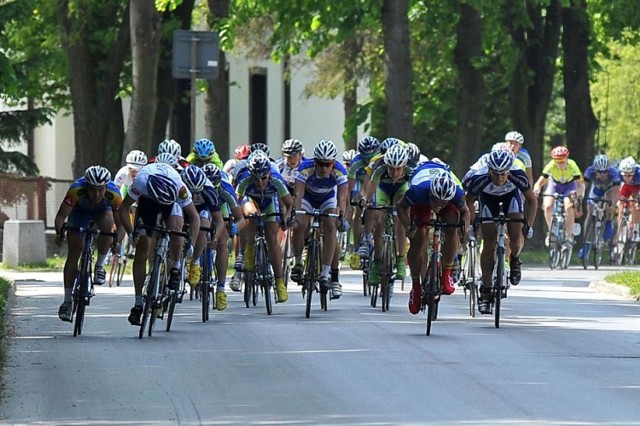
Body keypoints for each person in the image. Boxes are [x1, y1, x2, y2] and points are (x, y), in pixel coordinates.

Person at [118, 161, 200, 326]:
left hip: (171, 203)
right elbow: (123, 208)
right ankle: (138, 302)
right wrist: (131, 232)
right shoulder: (140, 182)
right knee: (142, 248)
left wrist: (191, 243)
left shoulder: (180, 188)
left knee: (177, 229)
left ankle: (175, 267)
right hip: (148, 202)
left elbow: (195, 217)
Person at [464, 149, 537, 315]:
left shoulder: (518, 175)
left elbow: (532, 201)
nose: (499, 178)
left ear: (509, 171)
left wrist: (529, 225)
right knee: (489, 243)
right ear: (489, 170)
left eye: (503, 174)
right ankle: (486, 290)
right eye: (495, 174)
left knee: (516, 234)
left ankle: (515, 259)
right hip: (488, 200)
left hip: (511, 197)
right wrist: (472, 223)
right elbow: (468, 202)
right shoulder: (479, 178)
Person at [397, 162, 470, 314]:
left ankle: (446, 273)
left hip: (445, 196)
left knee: (453, 224)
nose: (438, 206)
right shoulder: (418, 191)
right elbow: (401, 207)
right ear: (431, 195)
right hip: (422, 202)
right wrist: (407, 227)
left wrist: (464, 230)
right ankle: (416, 287)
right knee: (418, 238)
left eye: (442, 203)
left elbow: (465, 212)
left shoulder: (456, 193)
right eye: (436, 202)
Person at [54, 166, 123, 322]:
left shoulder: (114, 194)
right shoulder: (76, 189)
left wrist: (117, 241)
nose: (97, 194)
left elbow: (121, 225)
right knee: (74, 253)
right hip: (79, 213)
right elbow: (61, 216)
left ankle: (99, 265)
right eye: (92, 190)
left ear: (106, 187)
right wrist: (59, 234)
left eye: (101, 190)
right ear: (86, 186)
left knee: (107, 225)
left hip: (102, 212)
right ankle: (67, 300)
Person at [290, 139, 349, 299]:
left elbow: (342, 198)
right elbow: (298, 194)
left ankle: (325, 273)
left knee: (331, 225)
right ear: (314, 161)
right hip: (308, 197)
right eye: (320, 164)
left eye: (328, 164)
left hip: (327, 197)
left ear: (333, 163)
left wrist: (341, 216)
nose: (324, 168)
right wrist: (294, 213)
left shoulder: (340, 171)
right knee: (299, 224)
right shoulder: (304, 168)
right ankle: (298, 263)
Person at [236, 151, 293, 303]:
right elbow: (236, 203)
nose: (260, 182)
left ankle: (280, 283)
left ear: (269, 174)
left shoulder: (276, 180)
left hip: (269, 202)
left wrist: (286, 217)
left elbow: (289, 203)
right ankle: (249, 249)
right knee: (252, 215)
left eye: (264, 178)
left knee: (272, 238)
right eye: (256, 179)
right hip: (251, 201)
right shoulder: (244, 180)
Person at [362, 144, 412, 286]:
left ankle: (401, 260)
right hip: (383, 191)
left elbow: (414, 189)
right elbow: (371, 187)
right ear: (386, 164)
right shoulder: (379, 168)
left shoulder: (411, 170)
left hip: (400, 191)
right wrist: (366, 200)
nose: (395, 172)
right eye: (391, 168)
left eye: (398, 169)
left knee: (399, 220)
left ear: (404, 165)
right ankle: (377, 262)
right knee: (379, 221)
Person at [180, 165, 228, 309]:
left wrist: (214, 238)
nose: (194, 197)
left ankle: (195, 262)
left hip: (202, 210)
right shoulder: (178, 187)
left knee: (204, 223)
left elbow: (219, 221)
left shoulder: (209, 191)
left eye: (197, 193)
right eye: (191, 192)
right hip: (182, 206)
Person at [201, 164, 246, 293]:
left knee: (222, 241)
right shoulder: (198, 185)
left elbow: (240, 218)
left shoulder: (226, 189)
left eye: (214, 188)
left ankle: (221, 288)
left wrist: (234, 228)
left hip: (221, 206)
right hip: (203, 205)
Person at [533, 145, 585, 247]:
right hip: (555, 185)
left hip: (570, 186)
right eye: (558, 162)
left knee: (568, 205)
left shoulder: (572, 165)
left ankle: (569, 237)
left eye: (563, 162)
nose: (560, 164)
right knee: (547, 206)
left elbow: (580, 185)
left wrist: (577, 196)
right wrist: (536, 191)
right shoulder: (550, 165)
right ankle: (551, 232)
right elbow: (539, 182)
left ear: (567, 159)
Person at [346, 136, 380, 269]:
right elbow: (350, 186)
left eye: (371, 156)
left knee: (372, 202)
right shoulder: (356, 163)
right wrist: (352, 201)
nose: (368, 160)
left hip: (374, 182)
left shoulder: (380, 161)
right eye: (365, 157)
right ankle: (356, 248)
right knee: (359, 205)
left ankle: (368, 235)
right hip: (359, 183)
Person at [579, 154, 620, 259]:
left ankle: (609, 222)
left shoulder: (614, 173)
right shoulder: (590, 171)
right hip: (596, 189)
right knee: (589, 212)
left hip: (609, 189)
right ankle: (586, 243)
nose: (603, 174)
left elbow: (616, 192)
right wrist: (580, 199)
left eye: (605, 171)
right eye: (600, 172)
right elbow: (584, 187)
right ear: (595, 170)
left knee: (609, 204)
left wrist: (613, 205)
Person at [616, 156, 640, 243]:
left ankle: (636, 231)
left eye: (629, 175)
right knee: (621, 205)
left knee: (635, 203)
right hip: (627, 187)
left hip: (638, 187)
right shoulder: (618, 173)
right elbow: (616, 187)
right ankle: (619, 232)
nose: (627, 177)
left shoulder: (638, 172)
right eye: (624, 175)